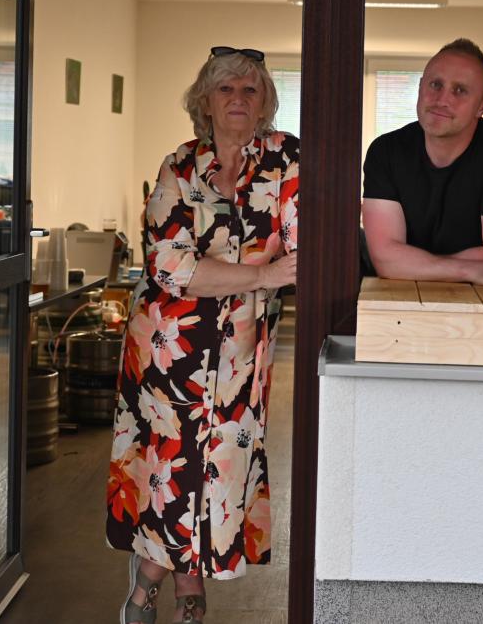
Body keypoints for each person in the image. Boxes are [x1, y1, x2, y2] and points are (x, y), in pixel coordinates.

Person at [108, 46, 298, 624]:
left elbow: (301, 242)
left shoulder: (286, 159)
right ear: (205, 103)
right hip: (168, 346)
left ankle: (149, 582)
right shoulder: (180, 166)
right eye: (225, 89)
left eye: (250, 89)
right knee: (172, 467)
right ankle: (180, 593)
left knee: (217, 470)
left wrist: (243, 273)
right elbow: (171, 267)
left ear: (265, 102)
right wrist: (261, 275)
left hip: (240, 351)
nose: (238, 99)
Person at [361, 38, 483, 287]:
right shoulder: (386, 151)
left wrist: (411, 264)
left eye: (460, 90)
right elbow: (385, 260)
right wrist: (470, 270)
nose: (442, 99)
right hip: (403, 295)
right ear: (420, 87)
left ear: (482, 106)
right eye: (435, 84)